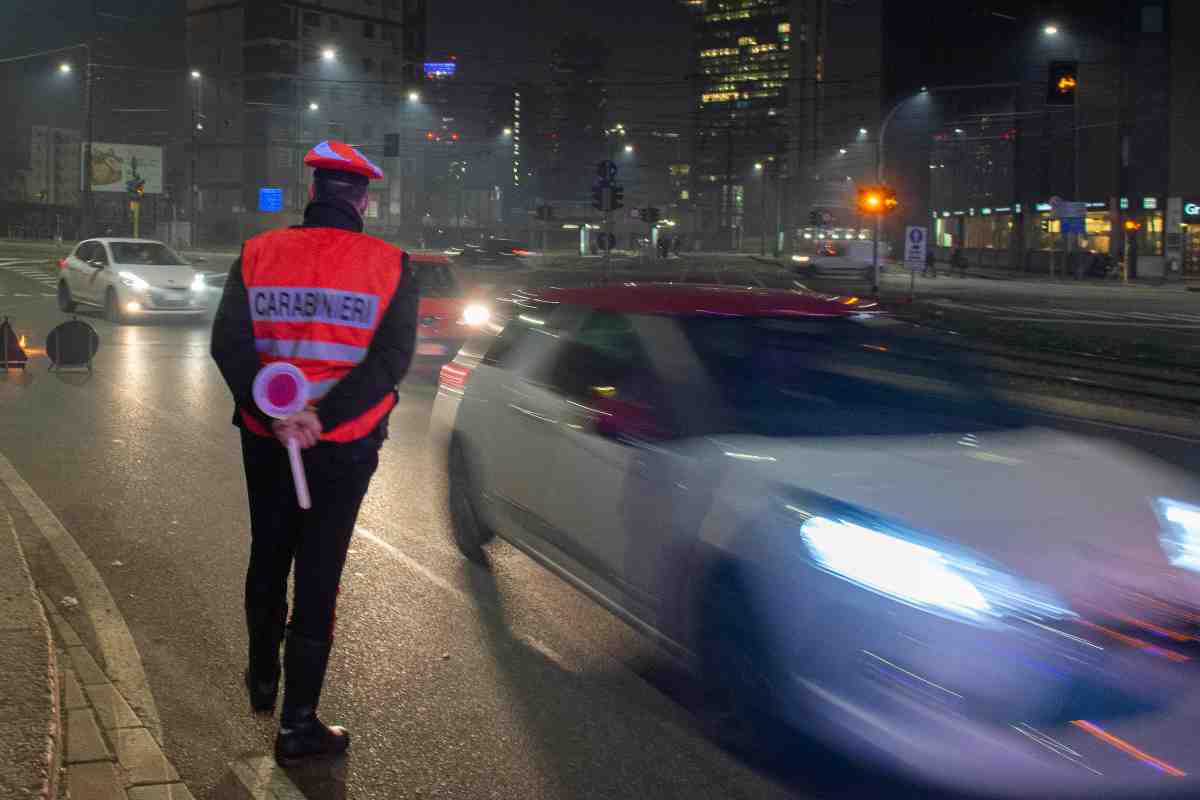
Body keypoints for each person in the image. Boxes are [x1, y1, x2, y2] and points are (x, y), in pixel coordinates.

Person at [211, 140, 418, 765]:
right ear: (361, 198)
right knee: (319, 570)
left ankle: (261, 676)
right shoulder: (391, 264)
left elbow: (229, 343)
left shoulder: (258, 253)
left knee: (268, 550)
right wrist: (318, 417)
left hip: (266, 438)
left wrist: (276, 412)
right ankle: (298, 723)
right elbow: (388, 363)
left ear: (314, 193)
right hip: (342, 446)